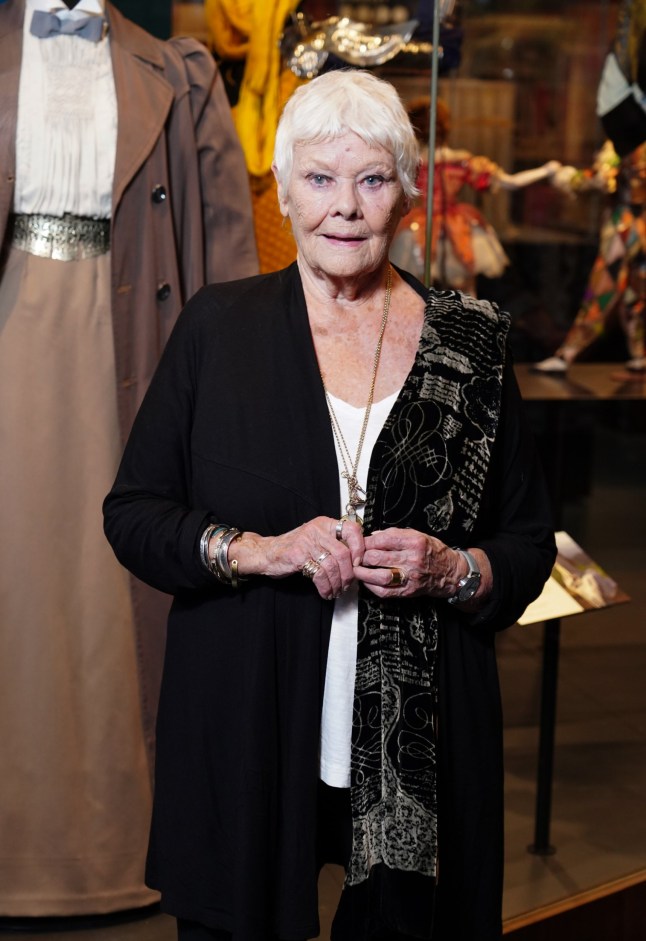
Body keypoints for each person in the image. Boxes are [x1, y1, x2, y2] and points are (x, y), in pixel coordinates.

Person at [104, 69, 556, 941]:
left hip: (419, 743)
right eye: (319, 177)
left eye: (372, 179)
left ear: (408, 196)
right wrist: (259, 549)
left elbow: (529, 544)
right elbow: (134, 513)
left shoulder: (472, 340)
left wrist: (452, 568)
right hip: (248, 720)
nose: (345, 206)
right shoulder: (216, 328)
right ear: (283, 190)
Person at [0, 0, 257, 918]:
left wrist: (235, 395)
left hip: (133, 348)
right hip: (14, 344)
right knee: (17, 587)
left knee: (116, 595)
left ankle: (121, 846)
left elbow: (227, 249)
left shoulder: (179, 73)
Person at [390, 96, 561, 295]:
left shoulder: (411, 164)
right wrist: (546, 170)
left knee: (417, 288)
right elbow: (511, 182)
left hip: (420, 226)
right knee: (465, 289)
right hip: (456, 224)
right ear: (446, 127)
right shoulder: (459, 161)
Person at [533, 140, 645, 375]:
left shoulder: (626, 144)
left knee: (605, 290)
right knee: (634, 292)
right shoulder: (627, 142)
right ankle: (640, 353)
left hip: (626, 225)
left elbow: (602, 177)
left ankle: (567, 354)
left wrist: (567, 178)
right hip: (633, 222)